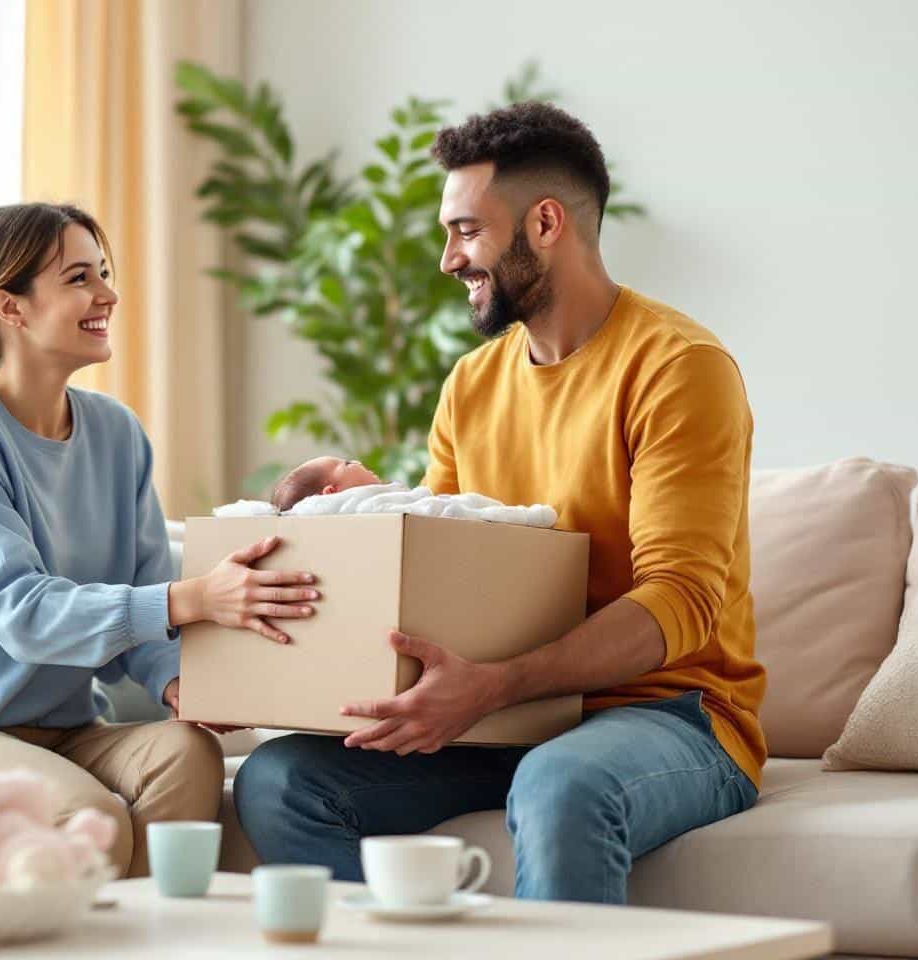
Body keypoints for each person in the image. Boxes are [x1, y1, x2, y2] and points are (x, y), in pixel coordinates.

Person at [234, 103, 768, 904]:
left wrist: (495, 685)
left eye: (465, 231)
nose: (449, 258)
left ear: (545, 222)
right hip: (508, 717)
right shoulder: (472, 384)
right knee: (281, 781)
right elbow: (450, 571)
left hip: (676, 715)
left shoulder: (677, 366)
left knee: (562, 785)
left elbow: (681, 600)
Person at [0, 202, 321, 878]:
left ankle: (144, 940)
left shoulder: (117, 434)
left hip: (65, 726)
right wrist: (198, 597)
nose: (107, 294)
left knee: (187, 754)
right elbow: (22, 614)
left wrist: (176, 682)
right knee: (90, 823)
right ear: (11, 307)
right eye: (80, 278)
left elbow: (146, 599)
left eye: (105, 273)